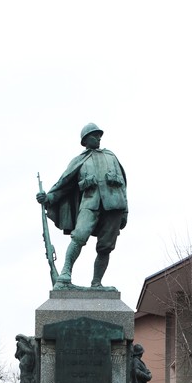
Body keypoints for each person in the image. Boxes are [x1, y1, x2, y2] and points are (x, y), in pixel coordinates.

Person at [36, 123, 128, 289]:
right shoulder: (79, 160)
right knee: (78, 237)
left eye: (99, 135)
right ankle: (65, 274)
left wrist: (125, 212)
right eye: (95, 135)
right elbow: (65, 184)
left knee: (105, 247)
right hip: (90, 203)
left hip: (114, 207)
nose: (99, 138)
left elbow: (123, 186)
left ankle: (96, 283)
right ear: (85, 140)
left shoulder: (111, 156)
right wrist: (48, 197)